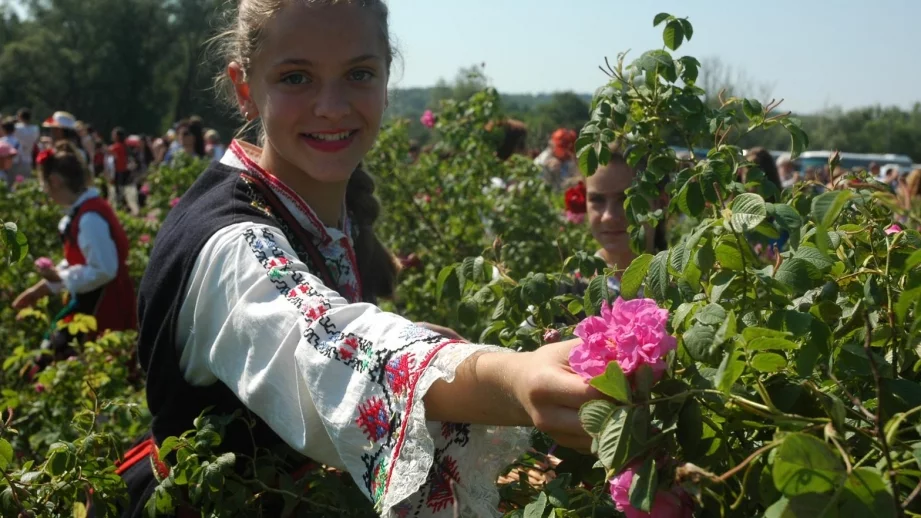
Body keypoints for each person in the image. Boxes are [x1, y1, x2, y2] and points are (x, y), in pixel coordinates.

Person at [114, 1, 596, 517]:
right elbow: (330, 345)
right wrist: (515, 377)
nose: (332, 106)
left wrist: (429, 343)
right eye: (297, 77)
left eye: (359, 73)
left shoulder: (323, 210)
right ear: (245, 89)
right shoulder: (232, 245)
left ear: (387, 82)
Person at [12, 142, 137, 370]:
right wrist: (41, 289)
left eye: (45, 184)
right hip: (94, 299)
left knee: (65, 364)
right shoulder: (86, 211)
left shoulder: (90, 218)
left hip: (103, 305)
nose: (46, 191)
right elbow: (79, 263)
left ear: (56, 182)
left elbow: (104, 270)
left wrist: (60, 277)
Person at [586, 142, 667, 296]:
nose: (608, 217)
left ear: (661, 202)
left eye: (625, 199)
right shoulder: (562, 298)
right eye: (597, 199)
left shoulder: (691, 292)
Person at [108, 127, 132, 210]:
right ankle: (124, 205)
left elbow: (108, 151)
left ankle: (121, 206)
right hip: (123, 170)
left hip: (118, 170)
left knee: (119, 189)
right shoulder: (124, 145)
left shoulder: (117, 146)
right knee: (121, 189)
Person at [13, 108, 39, 180]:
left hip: (16, 158)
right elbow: (36, 141)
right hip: (28, 157)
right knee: (26, 180)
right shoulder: (35, 128)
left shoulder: (16, 127)